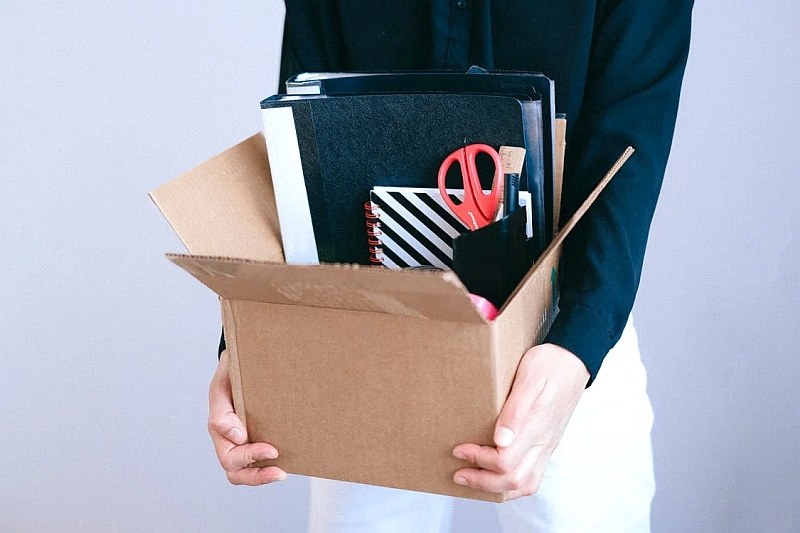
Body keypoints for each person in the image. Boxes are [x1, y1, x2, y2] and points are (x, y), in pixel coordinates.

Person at [207, 1, 694, 531]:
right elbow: (305, 132)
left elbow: (632, 135)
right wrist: (250, 342)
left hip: (566, 318)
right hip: (367, 323)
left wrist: (578, 345)